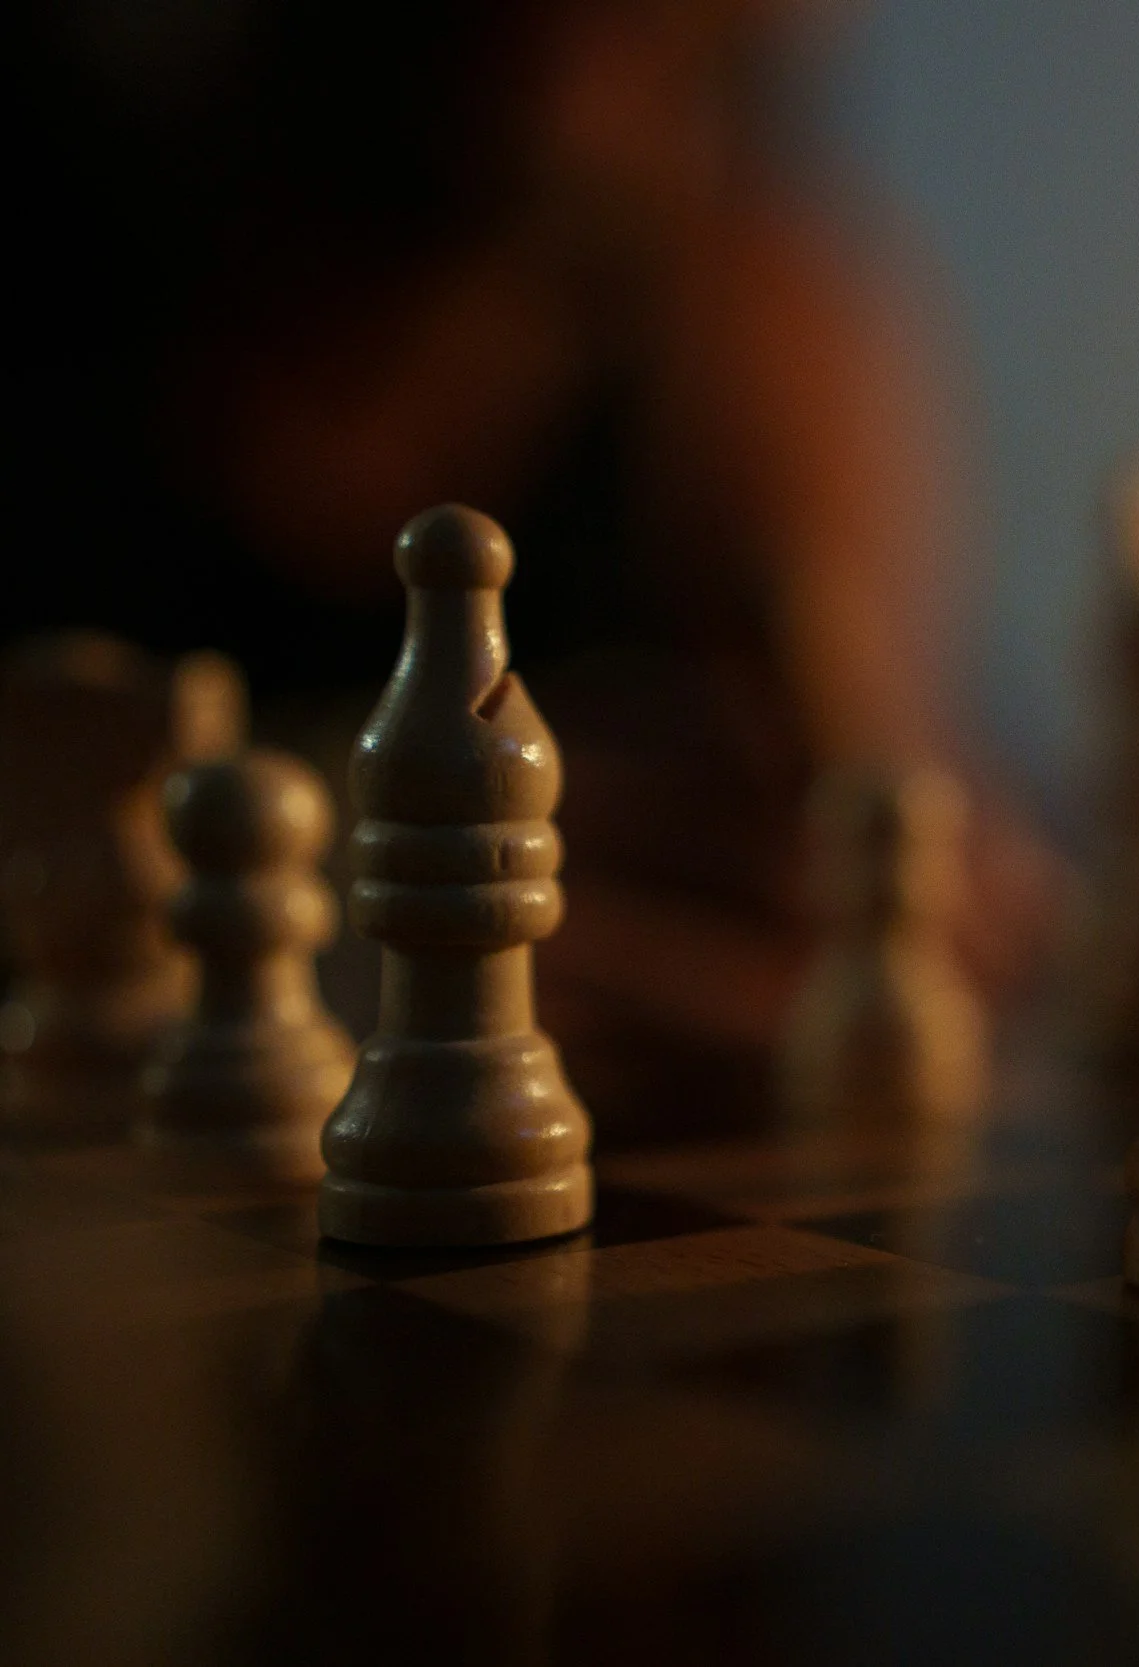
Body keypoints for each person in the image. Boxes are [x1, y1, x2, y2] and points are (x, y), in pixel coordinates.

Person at [3, 0, 1059, 1141]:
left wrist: (912, 887)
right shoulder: (54, 209)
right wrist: (301, 927)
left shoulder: (760, 321)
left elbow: (920, 854)